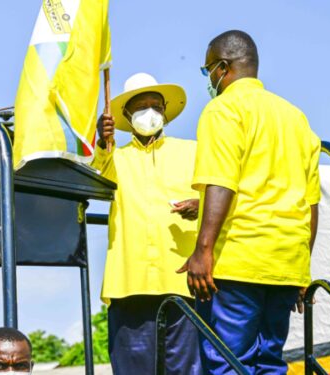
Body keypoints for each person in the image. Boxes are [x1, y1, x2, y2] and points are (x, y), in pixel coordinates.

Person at [178, 30, 321, 374]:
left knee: (228, 362)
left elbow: (221, 182)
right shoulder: (295, 117)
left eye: (207, 70)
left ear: (222, 67)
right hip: (287, 265)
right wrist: (302, 270)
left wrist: (203, 249)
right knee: (269, 363)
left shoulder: (223, 110)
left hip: (239, 262)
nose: (208, 79)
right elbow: (311, 202)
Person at [92, 72, 202, 375]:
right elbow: (95, 179)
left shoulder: (192, 151)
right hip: (130, 283)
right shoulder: (115, 157)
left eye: (156, 105)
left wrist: (200, 206)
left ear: (165, 111)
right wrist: (103, 142)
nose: (150, 112)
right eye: (141, 106)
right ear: (127, 114)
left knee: (187, 370)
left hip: (183, 282)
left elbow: (217, 197)